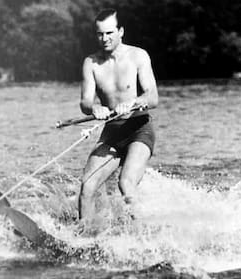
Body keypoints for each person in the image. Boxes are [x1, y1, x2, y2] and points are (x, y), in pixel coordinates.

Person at [78, 8, 158, 230]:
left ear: (121, 31)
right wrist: (94, 108)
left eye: (109, 33)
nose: (104, 38)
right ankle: (83, 242)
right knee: (87, 186)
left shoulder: (138, 56)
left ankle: (145, 239)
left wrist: (132, 103)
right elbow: (85, 103)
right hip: (111, 133)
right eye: (100, 34)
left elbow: (153, 97)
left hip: (139, 130)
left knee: (126, 183)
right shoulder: (91, 63)